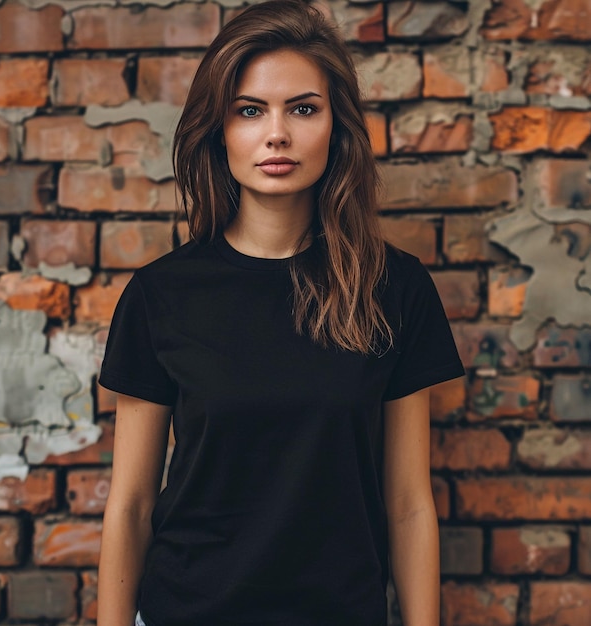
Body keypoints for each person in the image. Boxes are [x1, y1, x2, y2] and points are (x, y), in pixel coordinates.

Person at [97, 1, 465, 625]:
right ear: (219, 130)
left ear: (335, 125)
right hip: (189, 611)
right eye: (249, 110)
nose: (277, 134)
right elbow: (130, 504)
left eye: (302, 108)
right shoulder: (162, 295)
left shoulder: (392, 287)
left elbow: (407, 503)